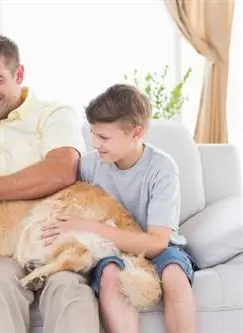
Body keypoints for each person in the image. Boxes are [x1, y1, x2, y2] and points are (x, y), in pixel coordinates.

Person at [0, 34, 100, 333]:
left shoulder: (53, 114)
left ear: (19, 74)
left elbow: (62, 170)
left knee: (69, 290)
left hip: (53, 239)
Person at [42, 83, 197, 333]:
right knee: (111, 274)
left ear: (136, 134)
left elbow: (157, 243)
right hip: (109, 252)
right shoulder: (89, 166)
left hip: (157, 250)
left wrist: (89, 227)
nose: (95, 144)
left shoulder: (161, 169)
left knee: (174, 275)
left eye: (103, 137)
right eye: (92, 134)